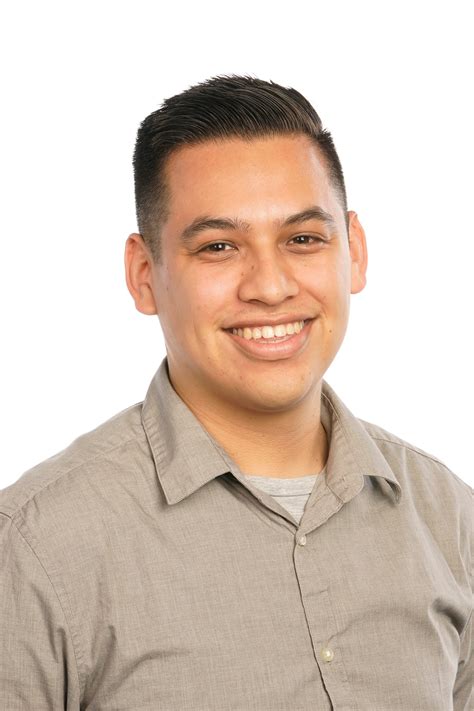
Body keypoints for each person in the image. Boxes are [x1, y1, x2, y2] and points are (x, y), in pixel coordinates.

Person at [0, 75, 472, 710]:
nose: (270, 287)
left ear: (354, 252)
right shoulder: (35, 546)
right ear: (144, 275)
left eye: (303, 239)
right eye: (219, 247)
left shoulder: (451, 519)